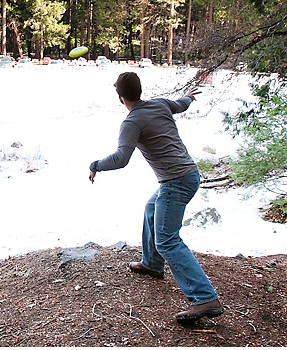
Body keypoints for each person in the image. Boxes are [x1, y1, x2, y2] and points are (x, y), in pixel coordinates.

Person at [89, 71, 223, 324]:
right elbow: (180, 105)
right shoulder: (160, 103)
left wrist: (95, 164)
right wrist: (189, 97)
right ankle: (151, 264)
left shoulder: (131, 123)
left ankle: (205, 297)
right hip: (188, 175)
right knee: (152, 208)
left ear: (120, 97)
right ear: (140, 90)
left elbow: (121, 159)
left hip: (176, 182)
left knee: (168, 240)